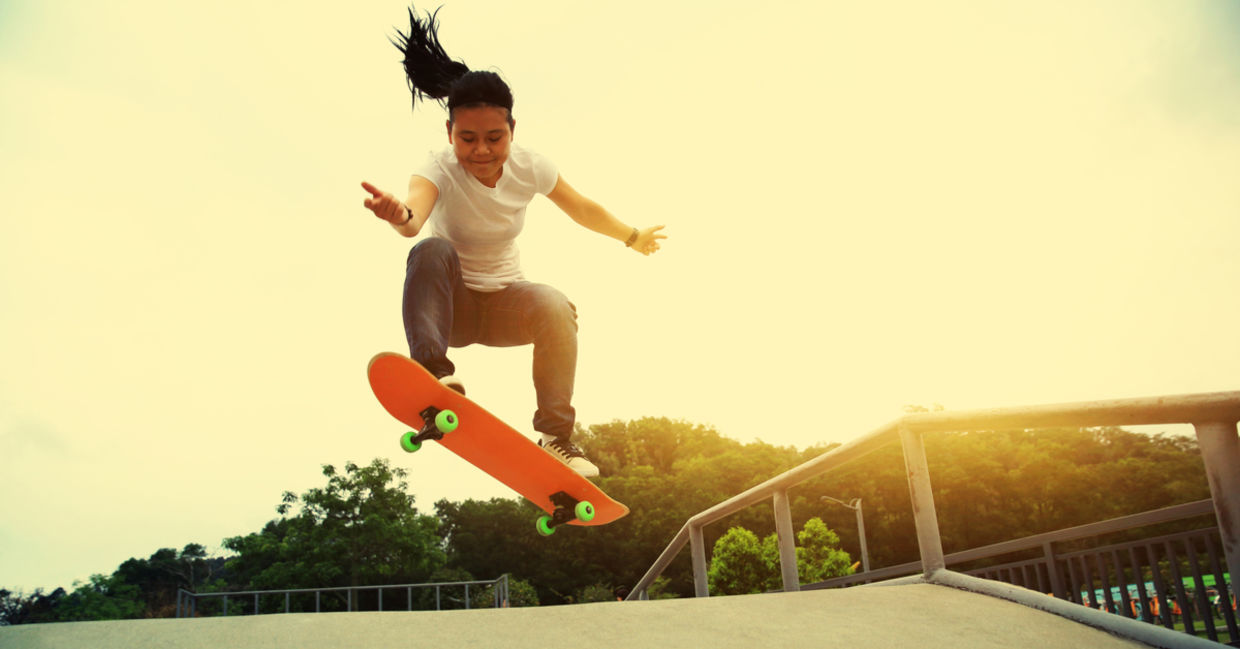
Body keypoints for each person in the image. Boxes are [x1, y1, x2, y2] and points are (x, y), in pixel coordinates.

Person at [360, 5, 666, 478]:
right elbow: (413, 220)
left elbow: (582, 207)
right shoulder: (436, 167)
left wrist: (631, 236)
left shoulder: (532, 165)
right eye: (467, 139)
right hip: (453, 312)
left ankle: (557, 438)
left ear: (512, 131)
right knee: (430, 250)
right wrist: (396, 213)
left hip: (505, 307)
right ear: (449, 133)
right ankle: (434, 377)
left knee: (555, 303)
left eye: (493, 138)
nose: (481, 151)